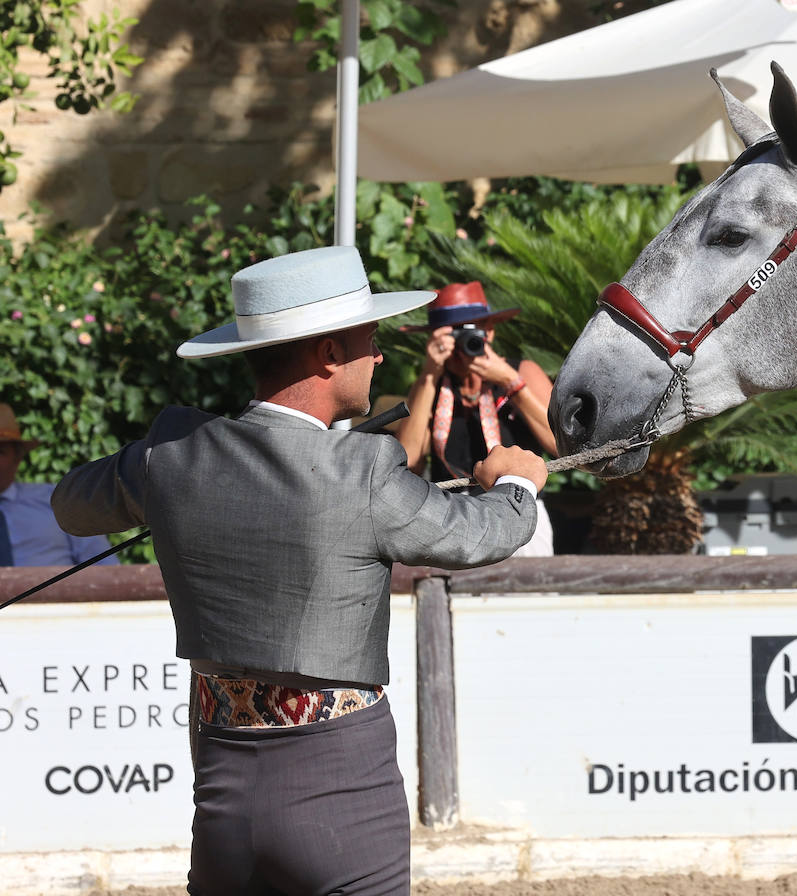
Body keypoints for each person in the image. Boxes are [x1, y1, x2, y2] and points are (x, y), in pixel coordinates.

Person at [50, 245, 547, 896]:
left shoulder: (170, 455)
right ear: (328, 354)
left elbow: (70, 503)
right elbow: (479, 535)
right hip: (341, 781)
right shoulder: (364, 470)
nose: (378, 356)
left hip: (223, 776)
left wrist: (165, 480)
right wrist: (516, 483)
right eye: (369, 341)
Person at [395, 282, 557, 556]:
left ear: (489, 331)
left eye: (469, 331)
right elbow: (408, 463)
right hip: (451, 516)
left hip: (521, 508)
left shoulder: (522, 371)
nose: (461, 345)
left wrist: (511, 382)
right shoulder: (430, 387)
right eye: (452, 333)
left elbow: (559, 443)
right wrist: (429, 374)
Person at [0, 402, 116, 567]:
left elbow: (105, 566)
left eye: (0, 452)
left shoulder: (57, 499)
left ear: (17, 458)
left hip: (60, 592)